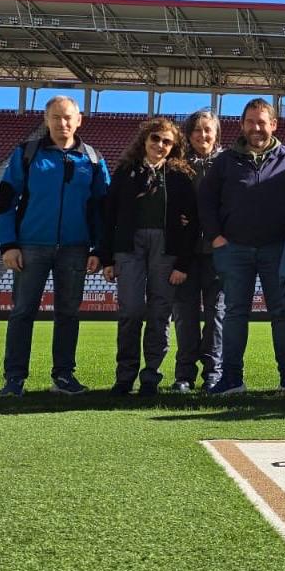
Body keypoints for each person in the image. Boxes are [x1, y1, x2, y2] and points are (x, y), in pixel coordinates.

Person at [198, 98, 285, 396]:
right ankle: (232, 379)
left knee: (283, 314)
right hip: (234, 249)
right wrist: (215, 236)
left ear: (274, 125)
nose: (256, 128)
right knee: (235, 313)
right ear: (241, 125)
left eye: (262, 122)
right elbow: (206, 200)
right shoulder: (225, 161)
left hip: (277, 250)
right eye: (251, 122)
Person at [0, 95, 110, 397]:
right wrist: (8, 244)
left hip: (75, 248)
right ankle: (14, 379)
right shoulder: (27, 154)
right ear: (46, 120)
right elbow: (6, 200)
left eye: (68, 117)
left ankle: (63, 376)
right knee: (22, 312)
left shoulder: (94, 160)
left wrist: (99, 249)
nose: (63, 123)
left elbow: (102, 208)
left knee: (69, 313)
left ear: (79, 119)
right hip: (31, 245)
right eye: (56, 117)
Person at [101, 117, 198, 396]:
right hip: (129, 246)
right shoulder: (125, 171)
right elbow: (109, 216)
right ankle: (125, 376)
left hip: (166, 248)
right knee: (130, 310)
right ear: (144, 140)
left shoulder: (181, 176)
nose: (160, 145)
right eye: (155, 138)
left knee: (159, 314)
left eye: (167, 141)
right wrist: (107, 258)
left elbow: (192, 223)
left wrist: (182, 263)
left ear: (174, 146)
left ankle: (150, 377)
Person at [170, 109, 224, 393]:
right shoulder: (177, 166)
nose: (203, 135)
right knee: (185, 315)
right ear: (188, 134)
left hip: (218, 254)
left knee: (216, 315)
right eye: (197, 130)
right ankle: (184, 374)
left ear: (216, 133)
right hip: (185, 254)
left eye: (208, 129)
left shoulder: (228, 163)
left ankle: (214, 373)